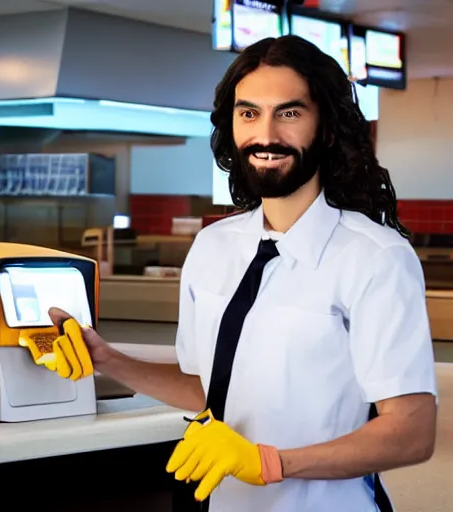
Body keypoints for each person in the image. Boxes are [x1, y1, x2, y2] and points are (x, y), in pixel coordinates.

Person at [49, 35, 437, 512]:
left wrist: (269, 463)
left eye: (289, 113)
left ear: (328, 129)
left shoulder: (375, 257)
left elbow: (411, 432)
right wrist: (107, 359)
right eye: (249, 113)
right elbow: (209, 388)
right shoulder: (214, 246)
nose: (266, 134)